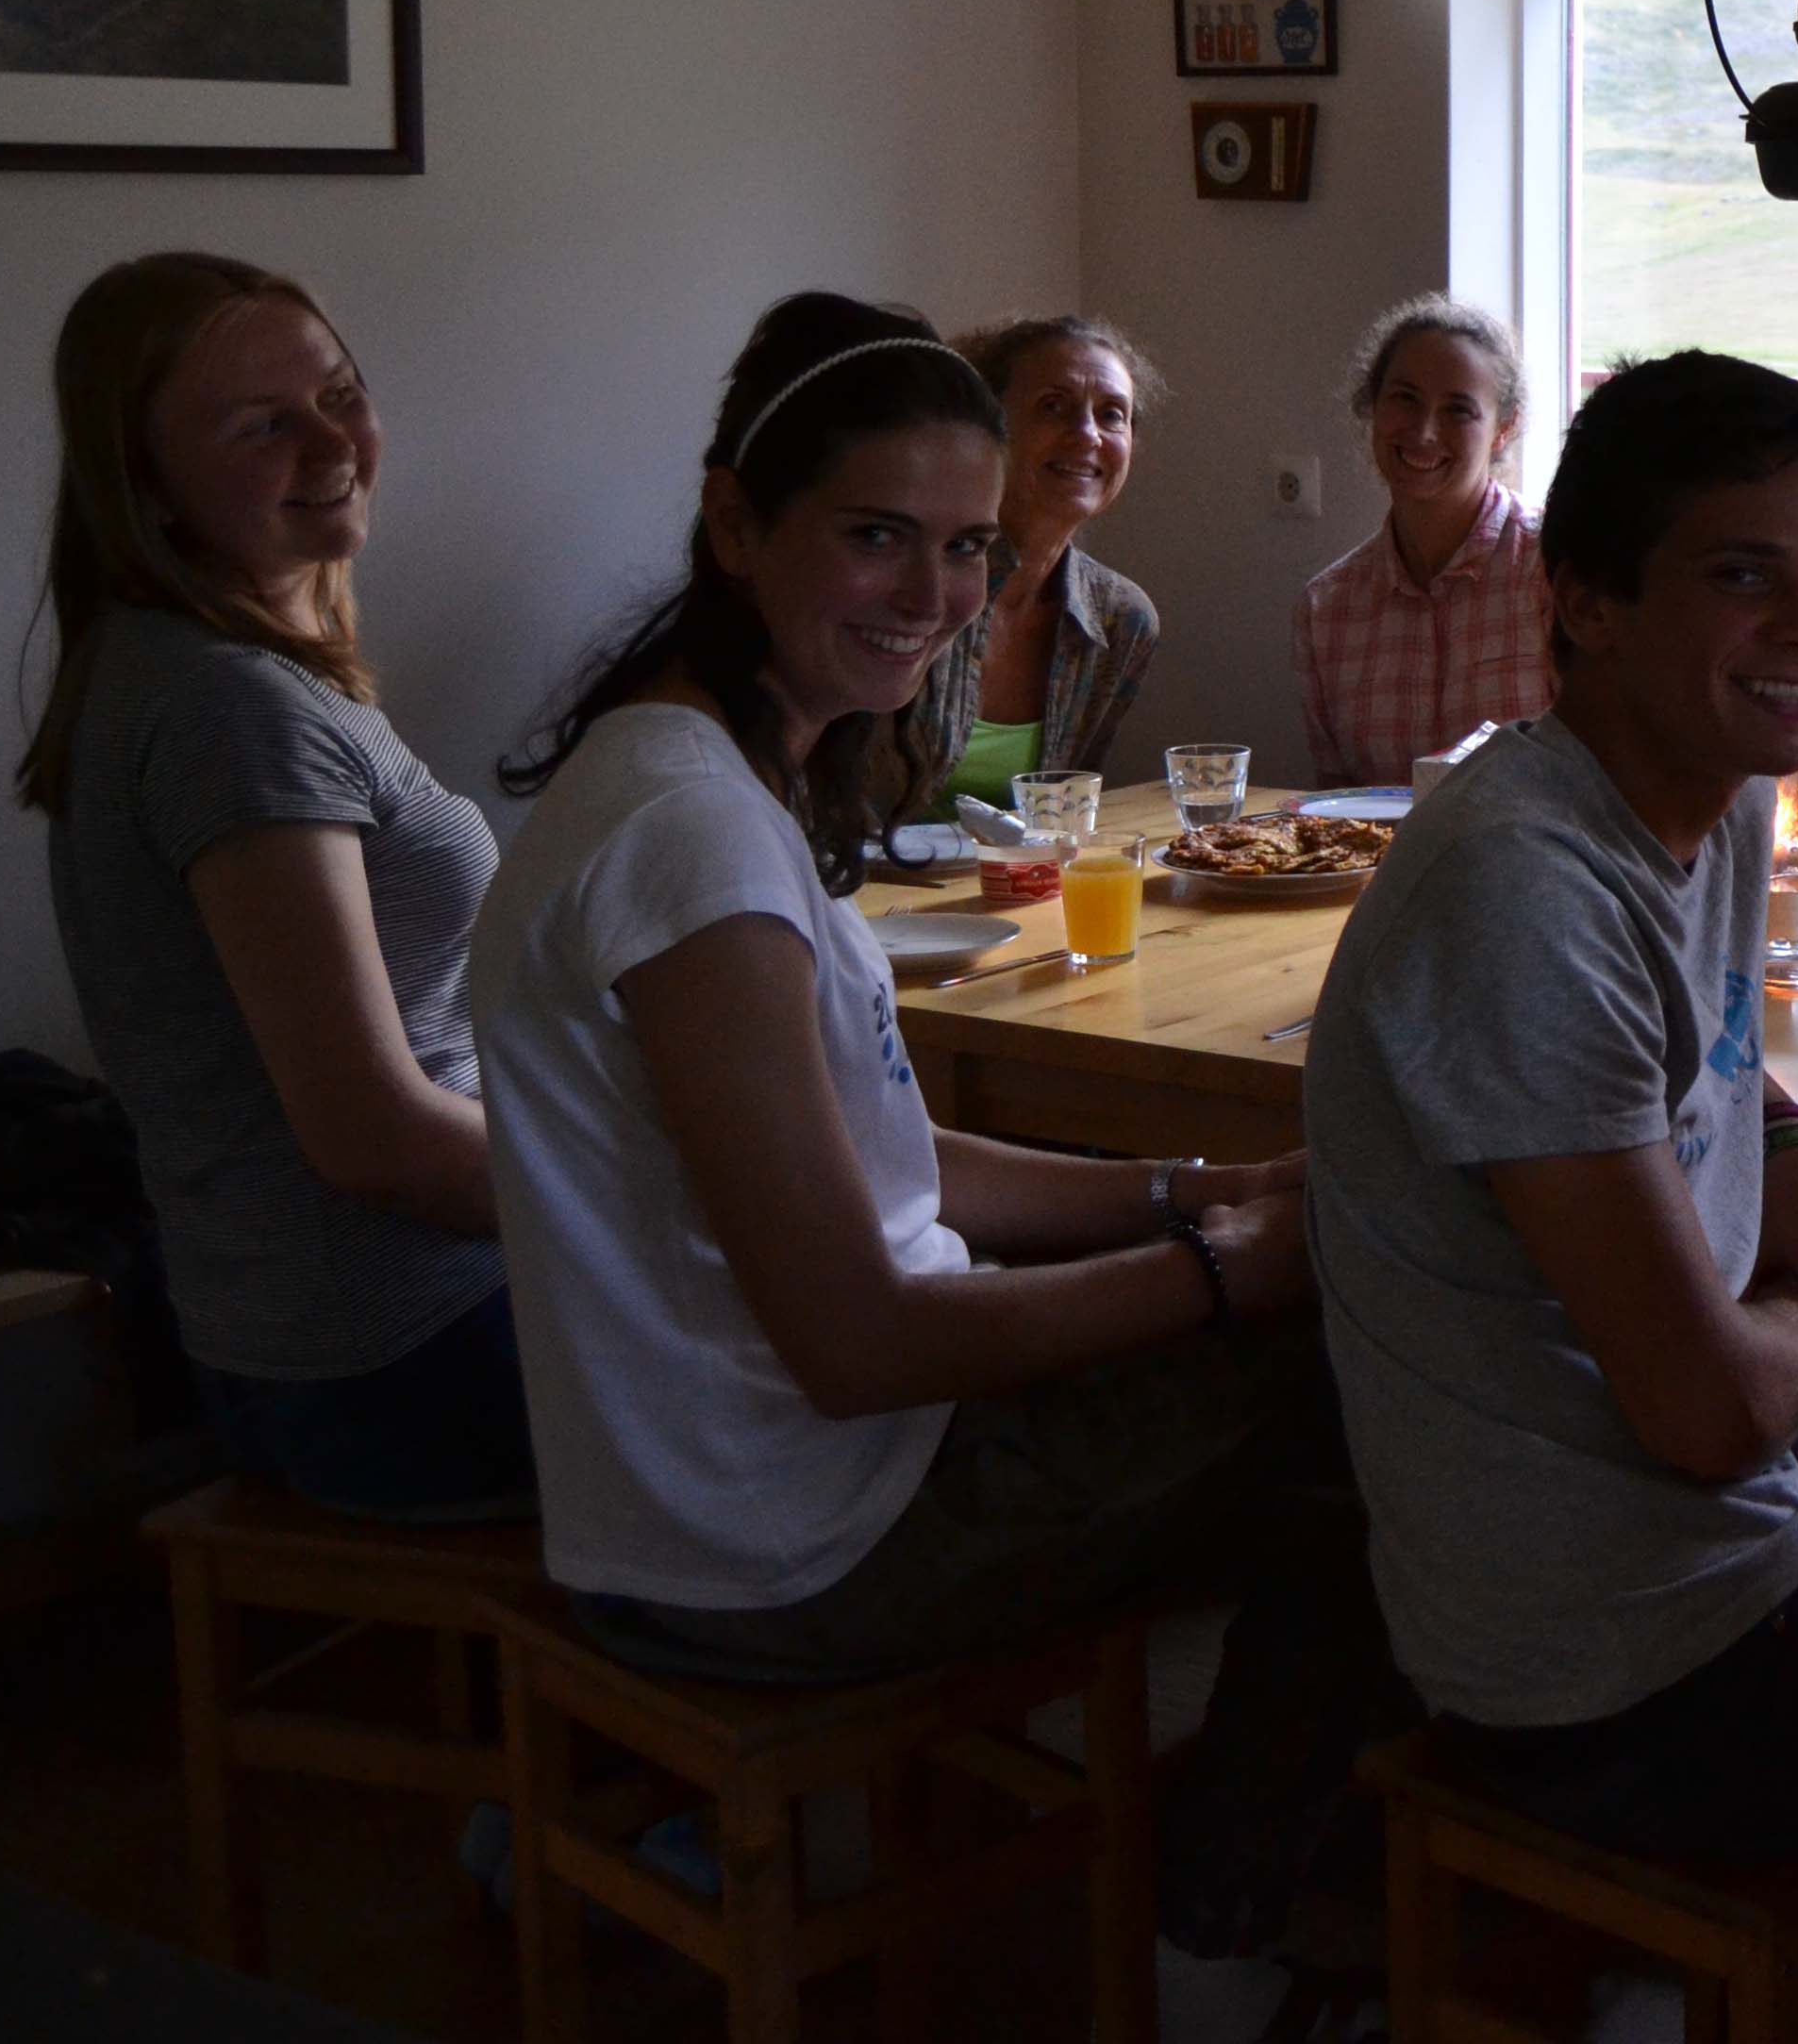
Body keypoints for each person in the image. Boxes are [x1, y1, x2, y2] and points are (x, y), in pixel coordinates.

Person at [474, 293, 1348, 1738]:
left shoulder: (710, 770)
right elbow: (861, 1345)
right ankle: (1260, 1857)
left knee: (1357, 1326)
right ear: (736, 522)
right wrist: (1225, 1268)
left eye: (965, 548)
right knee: (1396, 1365)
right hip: (793, 1546)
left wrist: (1205, 1190)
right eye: (876, 535)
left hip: (774, 1498)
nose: (934, 596)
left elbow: (889, 1163)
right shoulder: (691, 835)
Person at [1310, 350, 1798, 1861]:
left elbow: (1693, 1043)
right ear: (1587, 603)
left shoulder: (1712, 791)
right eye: (1744, 577)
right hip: (1630, 1660)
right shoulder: (1521, 888)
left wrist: (1792, 1133)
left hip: (1705, 1549)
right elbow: (1712, 1412)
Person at [22, 254, 526, 1521]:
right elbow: (373, 1139)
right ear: (146, 483)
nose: (334, 443)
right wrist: (638, 1191)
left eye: (339, 395)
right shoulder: (228, 710)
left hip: (335, 1344)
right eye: (262, 426)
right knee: (884, 1359)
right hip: (404, 1360)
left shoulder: (204, 665)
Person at [1297, 294, 1552, 787]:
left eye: (1458, 410)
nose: (1425, 432)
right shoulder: (1325, 609)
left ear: (1504, 428)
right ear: (1373, 405)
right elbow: (1335, 804)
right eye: (1405, 399)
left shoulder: (1554, 571)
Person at [915, 313, 1163, 806]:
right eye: (1053, 406)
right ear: (986, 425)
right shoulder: (913, 582)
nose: (1088, 435)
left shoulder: (1120, 620)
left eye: (1112, 414)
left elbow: (1066, 817)